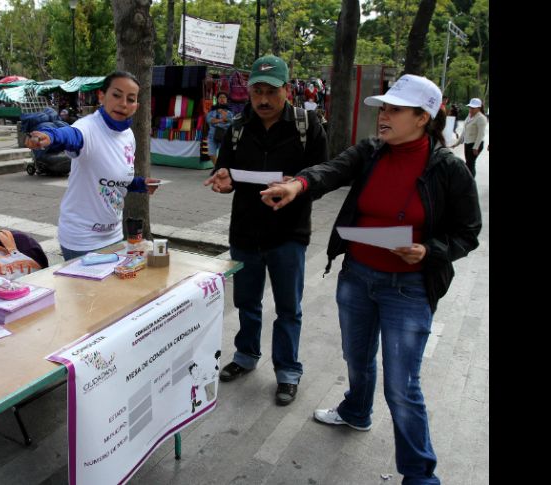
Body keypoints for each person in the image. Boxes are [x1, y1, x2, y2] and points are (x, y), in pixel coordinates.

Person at [259, 74, 481, 485]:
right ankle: (356, 411)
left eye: (395, 109)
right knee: (357, 358)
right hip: (357, 277)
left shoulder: (449, 169)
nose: (384, 116)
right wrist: (297, 184)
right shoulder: (372, 152)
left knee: (402, 386)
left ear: (423, 117)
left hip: (410, 288)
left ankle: (420, 476)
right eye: (384, 108)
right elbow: (331, 169)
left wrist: (428, 251)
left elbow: (468, 234)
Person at [202, 55, 329, 406]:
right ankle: (245, 356)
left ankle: (287, 371)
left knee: (289, 307)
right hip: (245, 232)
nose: (263, 99)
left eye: (271, 91)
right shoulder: (238, 127)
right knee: (246, 302)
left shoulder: (308, 126)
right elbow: (225, 172)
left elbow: (323, 176)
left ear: (286, 90)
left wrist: (299, 185)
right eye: (257, 90)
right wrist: (223, 181)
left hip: (289, 234)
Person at [25, 71, 160, 261]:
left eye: (130, 99)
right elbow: (70, 135)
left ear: (136, 106)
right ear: (101, 96)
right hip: (82, 240)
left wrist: (140, 184)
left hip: (113, 234)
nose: (123, 103)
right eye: (116, 95)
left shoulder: (128, 135)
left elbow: (114, 180)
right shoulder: (88, 127)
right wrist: (51, 136)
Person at [450, 97, 487, 177]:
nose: (471, 109)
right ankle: (468, 181)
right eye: (470, 107)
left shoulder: (481, 118)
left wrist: (475, 147)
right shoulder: (469, 116)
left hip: (476, 144)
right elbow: (464, 132)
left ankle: (470, 182)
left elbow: (481, 134)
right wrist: (456, 144)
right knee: (468, 163)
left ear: (479, 108)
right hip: (467, 143)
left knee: (470, 164)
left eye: (473, 108)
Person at [205, 92, 233, 165]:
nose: (222, 99)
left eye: (224, 97)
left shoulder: (230, 111)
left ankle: (219, 169)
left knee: (223, 155)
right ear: (217, 99)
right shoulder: (212, 110)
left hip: (224, 135)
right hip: (212, 135)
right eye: (220, 97)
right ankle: (217, 168)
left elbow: (232, 122)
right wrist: (221, 120)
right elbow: (209, 120)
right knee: (211, 153)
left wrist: (224, 116)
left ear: (227, 99)